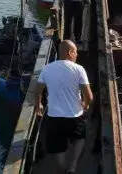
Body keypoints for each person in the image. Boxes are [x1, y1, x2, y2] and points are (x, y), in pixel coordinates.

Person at [33, 40, 93, 174]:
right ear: (70, 52)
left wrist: (39, 105)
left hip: (54, 117)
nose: (77, 55)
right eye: (76, 52)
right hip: (75, 116)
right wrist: (85, 105)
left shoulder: (47, 68)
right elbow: (89, 95)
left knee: (57, 148)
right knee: (80, 138)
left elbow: (37, 91)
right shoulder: (78, 69)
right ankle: (72, 166)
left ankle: (62, 168)